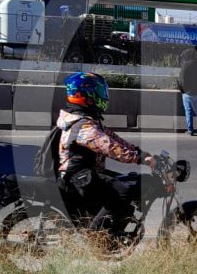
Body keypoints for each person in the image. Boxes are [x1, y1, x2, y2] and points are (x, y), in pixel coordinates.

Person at [57, 72, 153, 233]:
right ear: (85, 94)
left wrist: (140, 152)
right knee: (123, 190)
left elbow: (112, 138)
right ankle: (96, 235)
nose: (103, 96)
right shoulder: (83, 126)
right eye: (99, 91)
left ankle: (109, 223)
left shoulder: (84, 119)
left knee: (128, 180)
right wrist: (141, 158)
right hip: (78, 176)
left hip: (84, 172)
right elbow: (110, 147)